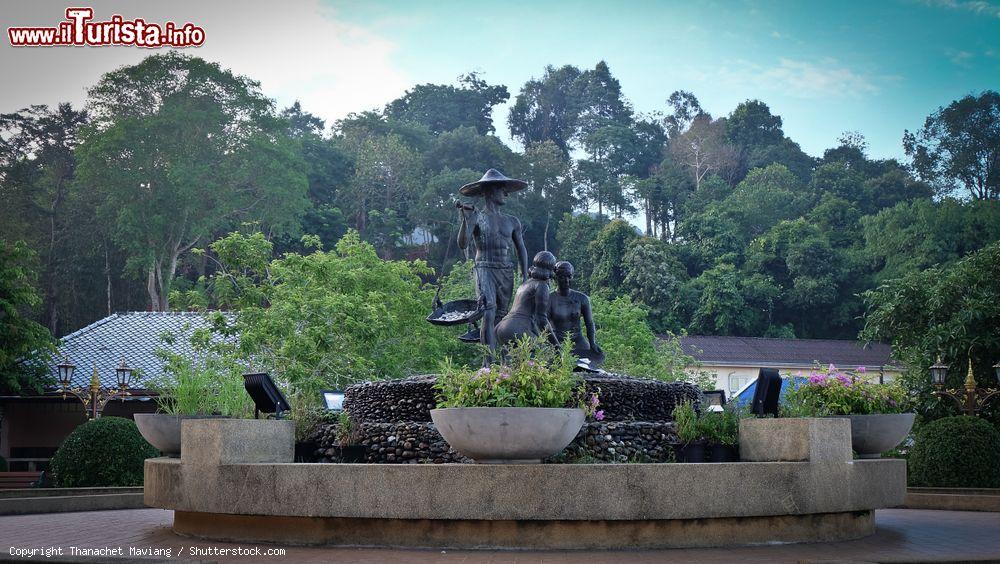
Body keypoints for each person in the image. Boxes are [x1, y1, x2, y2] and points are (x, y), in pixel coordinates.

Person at [456, 169, 529, 360]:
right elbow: (463, 243)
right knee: (488, 310)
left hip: (505, 269)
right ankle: (487, 362)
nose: (505, 193)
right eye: (501, 189)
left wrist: (525, 276)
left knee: (503, 315)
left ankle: (504, 360)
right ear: (489, 191)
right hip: (484, 268)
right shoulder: (477, 217)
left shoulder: (512, 221)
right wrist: (466, 219)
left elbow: (521, 249)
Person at [495, 251, 556, 347]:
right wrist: (556, 345)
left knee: (512, 361)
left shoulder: (526, 284)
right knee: (544, 353)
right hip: (517, 328)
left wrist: (540, 337)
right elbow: (541, 318)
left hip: (501, 327)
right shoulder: (542, 285)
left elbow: (533, 320)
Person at [547, 261, 602, 365]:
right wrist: (555, 345)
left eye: (569, 276)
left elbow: (589, 323)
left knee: (595, 357)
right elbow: (543, 324)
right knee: (553, 362)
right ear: (556, 278)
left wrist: (592, 343)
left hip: (578, 341)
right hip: (556, 341)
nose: (567, 281)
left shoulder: (582, 299)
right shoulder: (550, 299)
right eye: (563, 277)